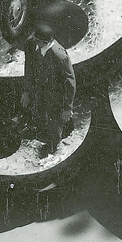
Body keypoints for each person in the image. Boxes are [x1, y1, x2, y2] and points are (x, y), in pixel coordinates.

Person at [22, 23, 76, 156]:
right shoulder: (31, 43)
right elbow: (28, 67)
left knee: (54, 120)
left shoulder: (59, 55)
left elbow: (70, 82)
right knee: (38, 111)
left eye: (38, 41)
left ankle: (54, 143)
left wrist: (67, 107)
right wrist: (27, 91)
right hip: (38, 88)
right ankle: (40, 131)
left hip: (55, 93)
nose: (35, 41)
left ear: (45, 42)